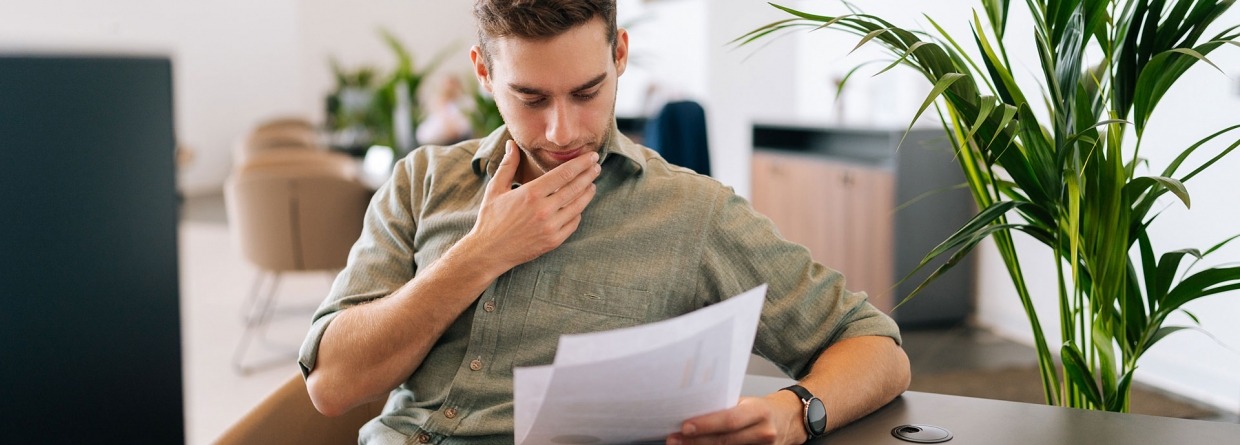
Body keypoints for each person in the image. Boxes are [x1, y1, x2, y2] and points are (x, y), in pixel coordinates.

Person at [300, 1, 910, 444]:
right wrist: (482, 253)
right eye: (530, 98)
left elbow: (876, 347)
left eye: (587, 91)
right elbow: (331, 386)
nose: (561, 131)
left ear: (619, 55)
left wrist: (795, 411)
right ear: (484, 74)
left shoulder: (690, 212)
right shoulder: (422, 181)